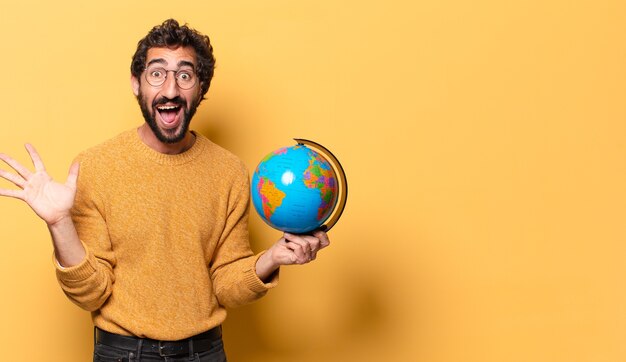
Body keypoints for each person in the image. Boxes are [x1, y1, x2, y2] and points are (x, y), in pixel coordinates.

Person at [0, 19, 330, 362]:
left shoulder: (229, 172)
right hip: (122, 353)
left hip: (204, 352)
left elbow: (226, 286)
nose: (170, 89)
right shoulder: (95, 166)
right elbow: (91, 295)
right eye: (157, 74)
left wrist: (272, 258)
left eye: (184, 76)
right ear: (136, 84)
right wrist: (59, 223)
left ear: (200, 88)